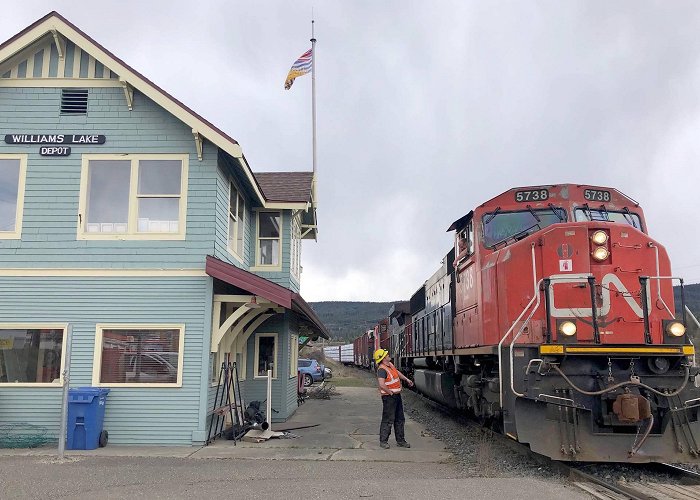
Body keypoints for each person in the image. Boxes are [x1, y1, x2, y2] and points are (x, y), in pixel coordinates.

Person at [374, 348, 413, 449]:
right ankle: (383, 441)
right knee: (388, 419)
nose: (388, 355)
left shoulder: (390, 365)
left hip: (396, 396)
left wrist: (406, 379)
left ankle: (400, 441)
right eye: (386, 354)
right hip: (389, 397)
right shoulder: (382, 369)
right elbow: (382, 384)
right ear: (383, 358)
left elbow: (397, 373)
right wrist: (389, 392)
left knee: (400, 419)